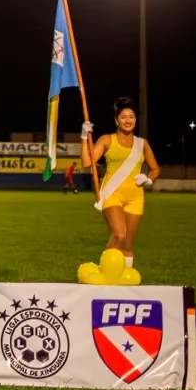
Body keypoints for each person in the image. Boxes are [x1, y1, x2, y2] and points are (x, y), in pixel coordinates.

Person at [81, 97, 161, 270]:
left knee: (128, 244)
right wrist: (83, 137)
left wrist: (148, 179)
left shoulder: (142, 144)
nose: (128, 121)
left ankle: (124, 283)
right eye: (123, 117)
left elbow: (155, 169)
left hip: (135, 197)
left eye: (131, 117)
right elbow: (88, 162)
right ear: (116, 120)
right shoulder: (106, 140)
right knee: (119, 234)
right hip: (112, 194)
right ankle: (104, 271)